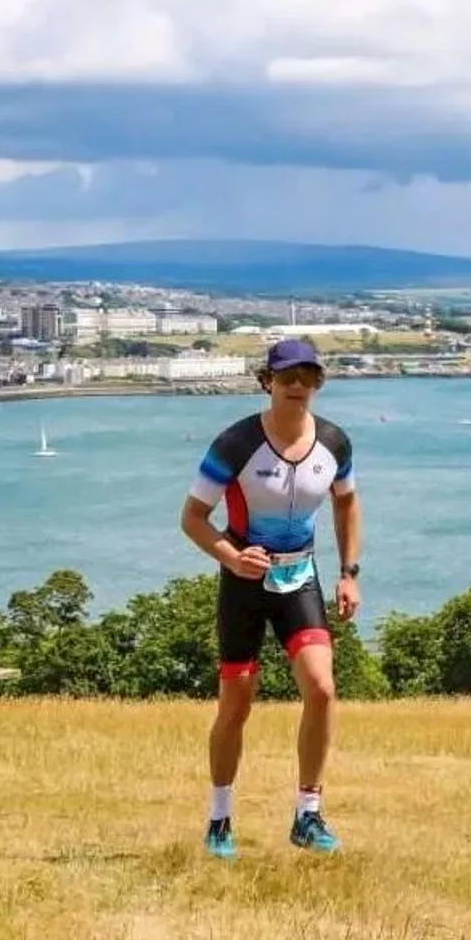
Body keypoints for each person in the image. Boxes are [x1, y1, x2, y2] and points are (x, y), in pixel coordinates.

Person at [180, 337, 362, 860]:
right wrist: (230, 557)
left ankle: (308, 813)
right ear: (267, 382)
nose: (298, 386)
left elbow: (347, 504)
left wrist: (350, 573)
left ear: (318, 384)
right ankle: (219, 819)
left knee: (322, 689)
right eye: (287, 377)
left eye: (308, 377)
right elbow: (192, 517)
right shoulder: (235, 444)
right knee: (235, 707)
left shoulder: (334, 444)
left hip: (299, 579)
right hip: (243, 583)